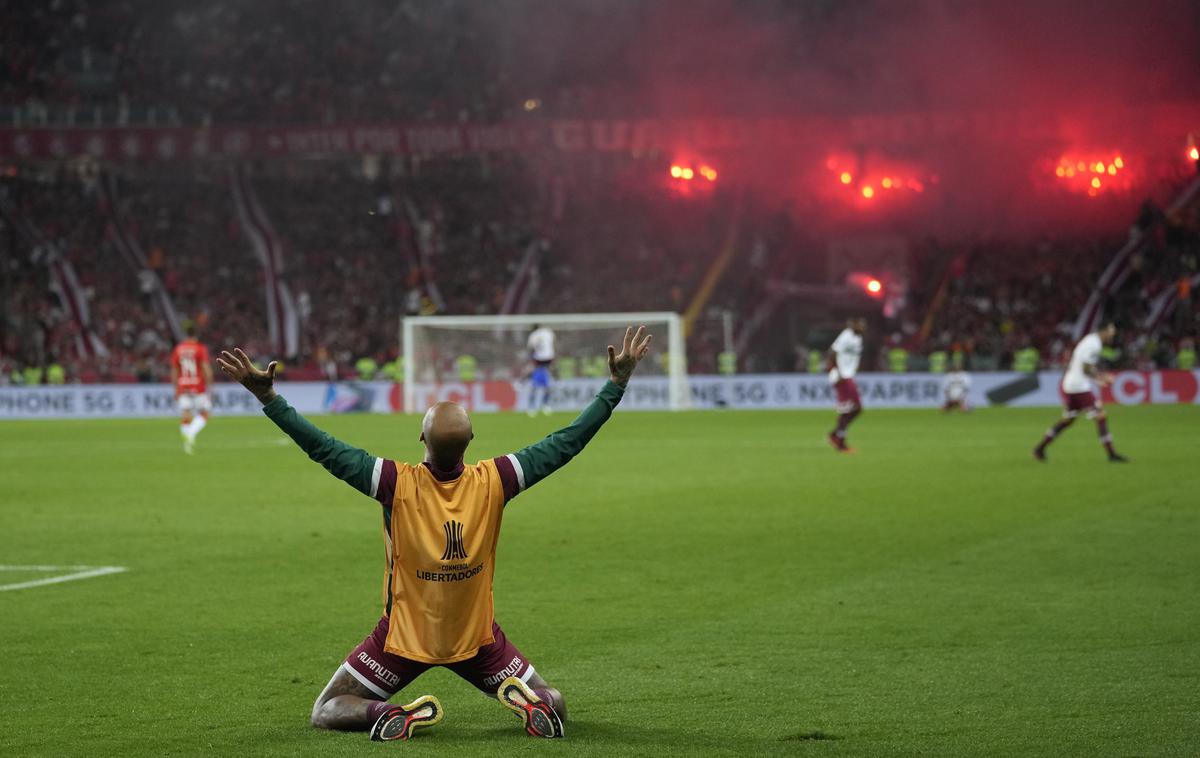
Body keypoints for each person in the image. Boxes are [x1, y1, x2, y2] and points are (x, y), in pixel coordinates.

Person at [217, 326, 653, 742]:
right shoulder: (496, 480)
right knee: (554, 701)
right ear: (472, 440)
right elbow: (566, 442)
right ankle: (535, 705)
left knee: (328, 709)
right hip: (479, 643)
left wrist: (269, 397)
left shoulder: (394, 483)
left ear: (421, 437)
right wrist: (614, 386)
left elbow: (324, 448)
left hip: (403, 640)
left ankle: (386, 712)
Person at [1033, 322, 1128, 463]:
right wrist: (1102, 377)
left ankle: (1039, 449)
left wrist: (1097, 378)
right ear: (1105, 330)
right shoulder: (1094, 344)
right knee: (1100, 415)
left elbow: (1082, 365)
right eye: (1111, 333)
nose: (1112, 337)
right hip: (1078, 386)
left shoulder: (1089, 340)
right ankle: (1112, 455)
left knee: (1068, 420)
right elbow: (1085, 368)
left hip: (1071, 383)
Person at [170, 323, 212, 454]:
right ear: (196, 335)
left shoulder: (178, 349)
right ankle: (191, 435)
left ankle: (187, 444)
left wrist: (175, 388)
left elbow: (174, 370)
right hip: (197, 386)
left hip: (183, 385)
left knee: (186, 414)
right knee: (204, 413)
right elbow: (206, 369)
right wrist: (209, 386)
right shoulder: (200, 348)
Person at [827, 317, 866, 452]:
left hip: (848, 375)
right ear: (852, 326)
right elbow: (832, 352)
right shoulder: (846, 336)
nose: (862, 327)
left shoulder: (858, 339)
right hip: (842, 376)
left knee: (857, 408)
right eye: (859, 324)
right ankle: (840, 442)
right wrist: (836, 371)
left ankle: (835, 434)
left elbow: (853, 358)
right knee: (848, 409)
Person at [525, 324, 556, 416]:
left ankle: (532, 407)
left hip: (538, 360)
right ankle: (545, 405)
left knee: (535, 384)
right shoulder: (548, 332)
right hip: (549, 358)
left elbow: (531, 348)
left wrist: (531, 359)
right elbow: (553, 341)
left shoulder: (533, 335)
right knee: (547, 384)